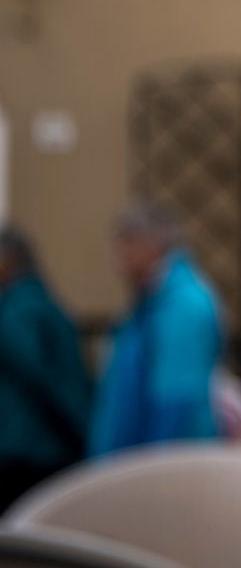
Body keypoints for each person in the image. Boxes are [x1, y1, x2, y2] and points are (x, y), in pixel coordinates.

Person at [91, 204, 224, 457]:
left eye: (126, 246)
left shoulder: (183, 304)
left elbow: (177, 400)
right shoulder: (152, 300)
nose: (119, 261)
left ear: (150, 245)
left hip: (167, 466)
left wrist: (153, 471)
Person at [0, 229, 90, 512]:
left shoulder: (20, 311)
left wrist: (79, 431)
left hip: (30, 451)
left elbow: (46, 380)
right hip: (42, 447)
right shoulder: (43, 304)